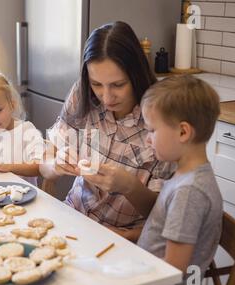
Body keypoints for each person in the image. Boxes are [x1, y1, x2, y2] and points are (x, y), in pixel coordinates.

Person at [40, 21, 175, 241]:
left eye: (118, 85)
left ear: (136, 74)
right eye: (97, 84)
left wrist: (130, 187)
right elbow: (44, 163)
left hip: (125, 239)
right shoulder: (82, 94)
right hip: (72, 218)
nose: (106, 97)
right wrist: (55, 165)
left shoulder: (161, 114)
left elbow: (163, 217)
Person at [93, 74, 223, 285]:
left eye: (152, 131)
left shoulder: (189, 192)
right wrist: (129, 235)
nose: (147, 140)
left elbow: (172, 270)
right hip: (151, 280)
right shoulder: (185, 175)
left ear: (183, 132)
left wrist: (121, 280)